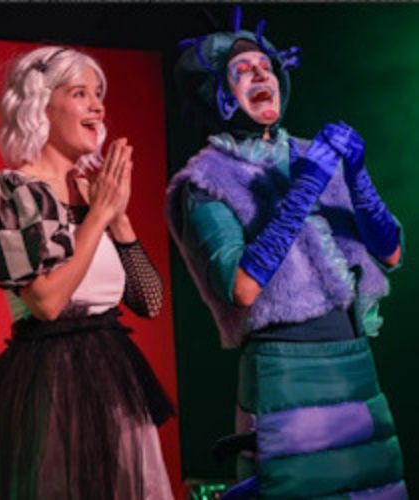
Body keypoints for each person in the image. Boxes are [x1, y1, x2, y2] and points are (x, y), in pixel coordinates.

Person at [166, 9, 407, 499]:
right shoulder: (206, 180)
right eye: (243, 70)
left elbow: (392, 253)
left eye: (266, 66)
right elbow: (241, 288)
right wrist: (304, 190)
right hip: (287, 374)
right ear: (220, 94)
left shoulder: (310, 154)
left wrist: (358, 177)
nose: (261, 75)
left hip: (354, 364)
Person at [0, 46, 174, 500]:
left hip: (116, 383)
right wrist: (98, 217)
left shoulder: (93, 192)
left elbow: (150, 302)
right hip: (52, 385)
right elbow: (46, 302)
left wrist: (118, 218)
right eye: (80, 94)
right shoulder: (11, 194)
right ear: (40, 105)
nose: (97, 106)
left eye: (98, 94)